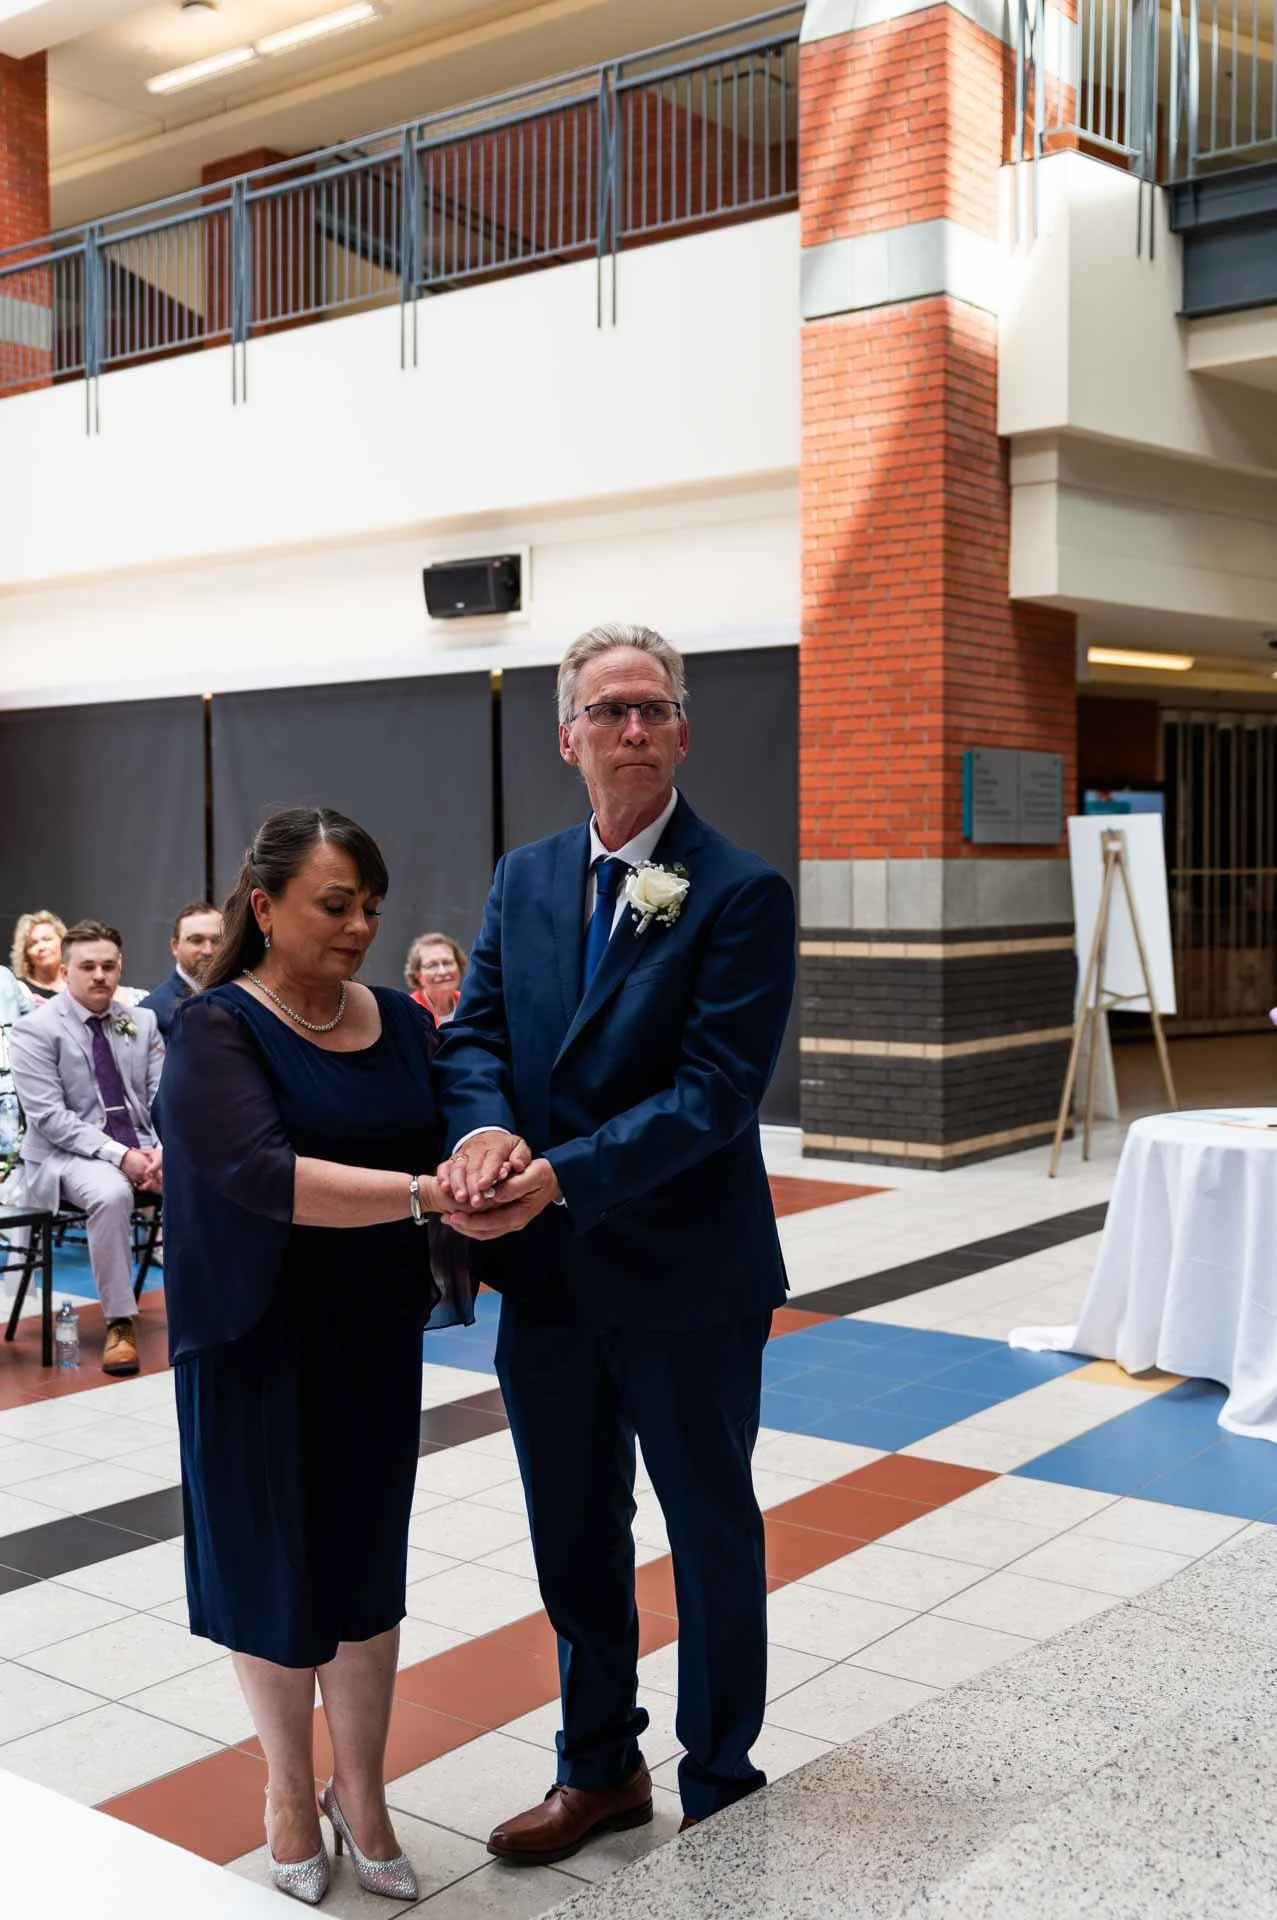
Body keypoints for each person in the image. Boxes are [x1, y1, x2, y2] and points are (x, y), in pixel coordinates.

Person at [434, 621, 796, 1860]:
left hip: (686, 1275)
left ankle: (719, 1777)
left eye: (651, 710)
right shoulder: (523, 877)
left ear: (682, 732)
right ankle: (598, 1767)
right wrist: (483, 1140)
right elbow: (475, 1033)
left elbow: (713, 1093)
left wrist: (557, 1177)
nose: (631, 729)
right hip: (546, 1283)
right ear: (567, 736)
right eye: (608, 711)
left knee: (707, 1528)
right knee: (572, 1532)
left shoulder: (739, 890)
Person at [157, 806, 496, 1907]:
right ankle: (286, 1793)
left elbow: (453, 1120)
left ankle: (366, 1791)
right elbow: (262, 1175)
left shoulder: (400, 1022)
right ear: (263, 908)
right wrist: (419, 1195)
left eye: (371, 910)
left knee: (363, 1576)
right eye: (334, 906)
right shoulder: (215, 1031)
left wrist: (485, 1161)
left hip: (363, 1338)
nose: (358, 928)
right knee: (272, 1576)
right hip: (253, 1340)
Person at [8, 921, 164, 1377]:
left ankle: (214, 1299)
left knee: (213, 1174)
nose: (100, 975)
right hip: (63, 1156)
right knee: (112, 1193)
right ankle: (119, 1322)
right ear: (66, 970)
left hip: (144, 1147)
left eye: (108, 966)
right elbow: (50, 1119)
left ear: (121, 968)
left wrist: (164, 1152)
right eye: (88, 966)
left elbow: (163, 1098)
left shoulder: (143, 1021)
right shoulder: (34, 1030)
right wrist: (122, 1156)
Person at [141, 901, 224, 1038]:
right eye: (197, 940)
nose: (208, 951)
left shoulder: (244, 993)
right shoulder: (154, 1011)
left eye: (216, 941)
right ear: (175, 946)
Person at [404, 931, 467, 1026]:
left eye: (447, 963)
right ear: (417, 973)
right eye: (432, 965)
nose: (442, 972)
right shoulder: (409, 1010)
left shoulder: (470, 1004)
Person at [11, 910, 68, 1002]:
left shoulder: (80, 984)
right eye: (33, 944)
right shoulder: (20, 991)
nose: (41, 947)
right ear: (25, 953)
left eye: (47, 939)